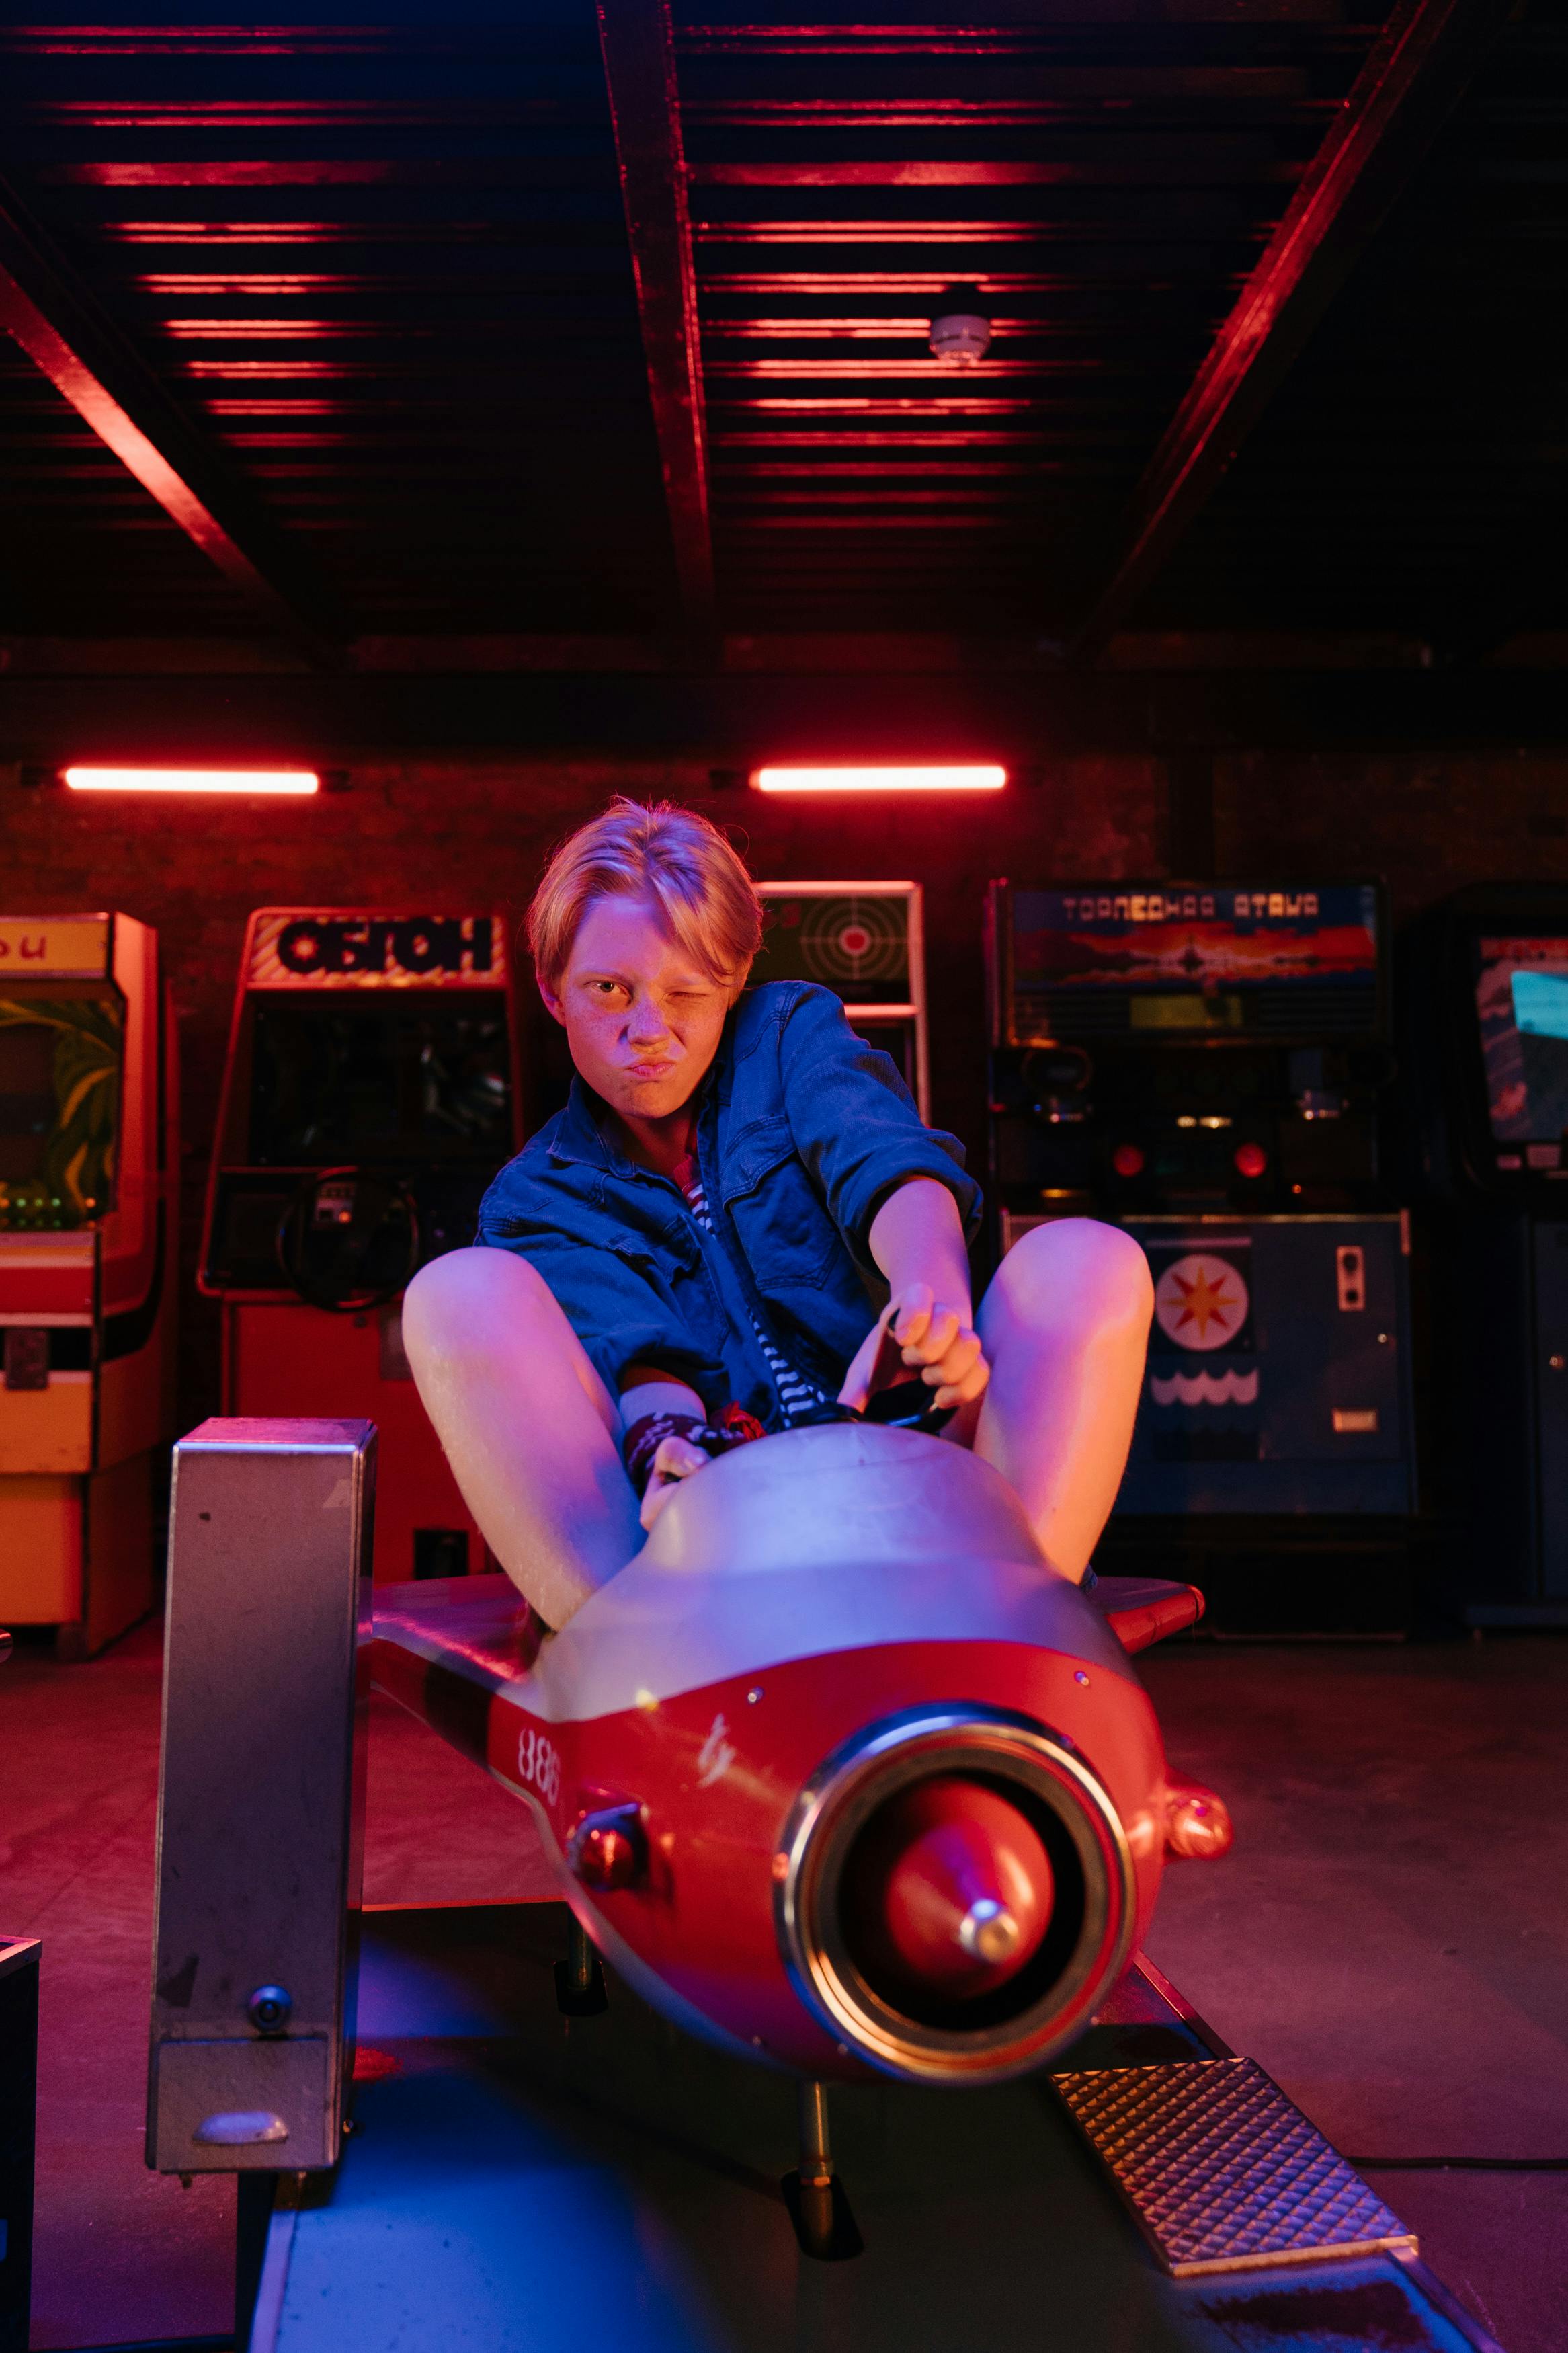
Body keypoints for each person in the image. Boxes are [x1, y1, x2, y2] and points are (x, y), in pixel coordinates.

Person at [404, 799, 1153, 1631]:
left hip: (923, 1491)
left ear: (730, 984)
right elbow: (634, 1349)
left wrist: (928, 1298)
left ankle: (1020, 1623)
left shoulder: (789, 1031)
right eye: (608, 989)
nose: (647, 1030)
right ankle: (629, 1646)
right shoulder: (533, 1197)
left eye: (684, 990)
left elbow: (883, 1156)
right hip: (704, 1542)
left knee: (1087, 1256)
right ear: (552, 991)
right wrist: (668, 1445)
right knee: (457, 1288)